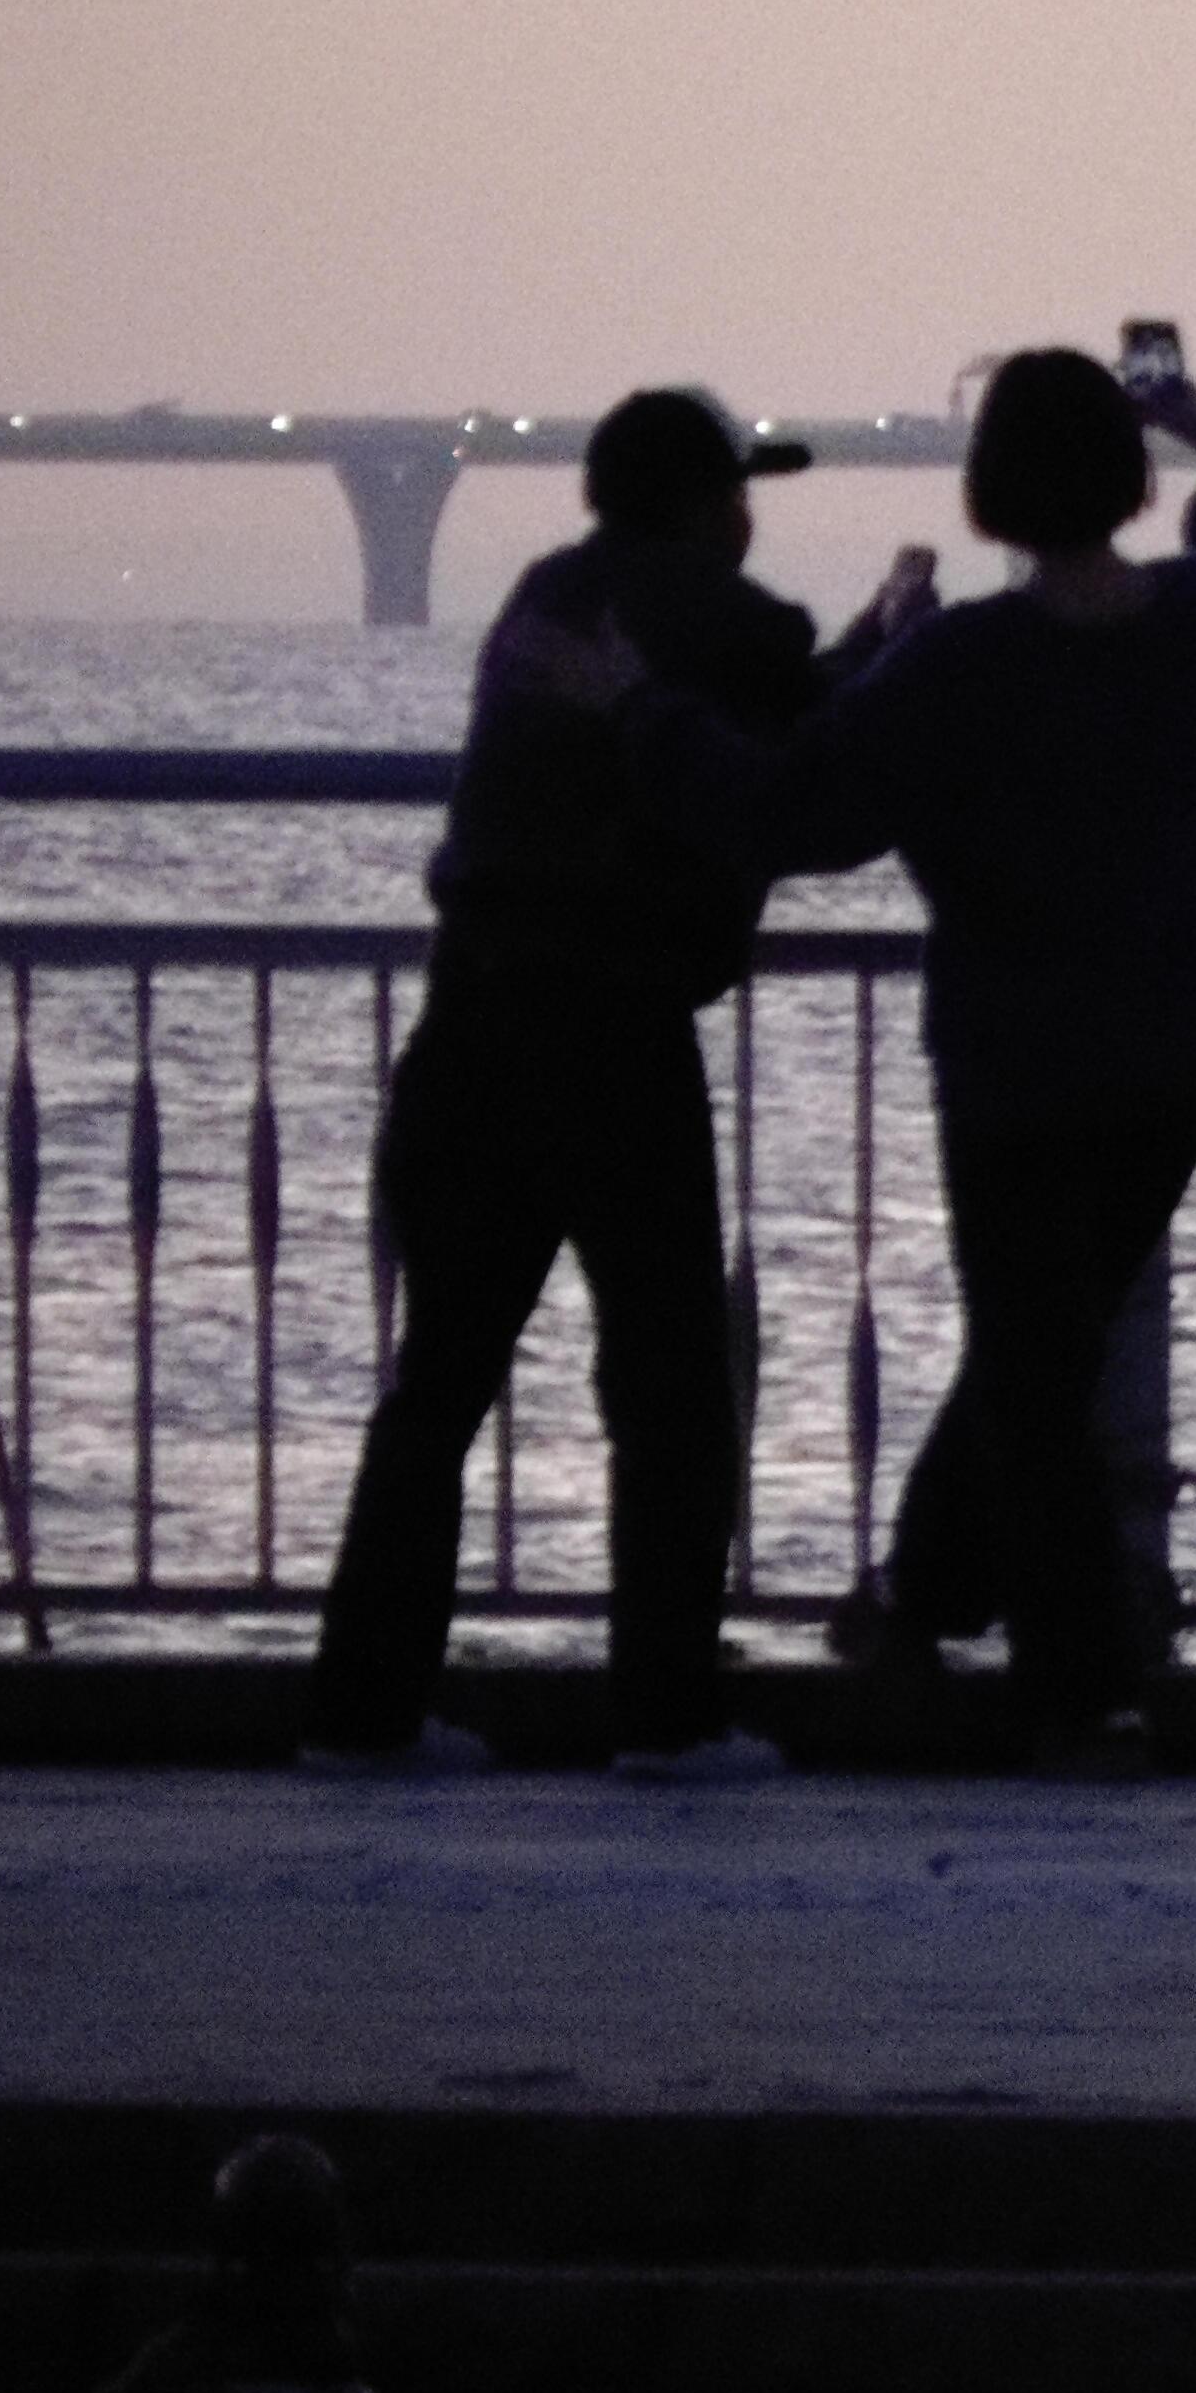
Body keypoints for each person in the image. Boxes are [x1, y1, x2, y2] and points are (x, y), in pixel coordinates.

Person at [650, 333, 1196, 1763]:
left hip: (1017, 1067)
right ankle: (926, 1598)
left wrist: (655, 714)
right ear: (1133, 478)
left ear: (989, 489)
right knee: (1042, 1352)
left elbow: (799, 816)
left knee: (1032, 1363)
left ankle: (1080, 1687)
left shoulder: (959, 668)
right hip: (1170, 1057)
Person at [302, 384, 929, 1779]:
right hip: (613, 1035)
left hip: (469, 1020)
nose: (750, 514)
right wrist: (894, 643)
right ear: (706, 506)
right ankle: (665, 1713)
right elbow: (801, 753)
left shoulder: (545, 597)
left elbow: (739, 720)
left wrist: (857, 651)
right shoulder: (725, 618)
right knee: (668, 1391)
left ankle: (360, 1713)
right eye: (739, 491)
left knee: (438, 1385)